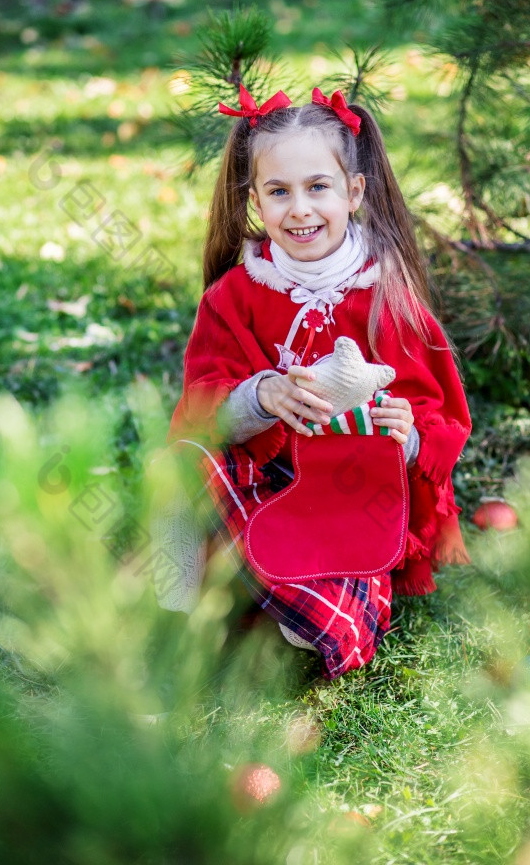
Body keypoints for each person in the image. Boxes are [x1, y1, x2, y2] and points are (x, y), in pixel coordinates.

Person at [159, 83, 472, 681]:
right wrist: (257, 397)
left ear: (354, 192)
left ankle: (285, 602)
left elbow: (436, 416)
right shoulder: (236, 296)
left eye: (317, 188)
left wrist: (404, 433)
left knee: (320, 627)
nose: (299, 209)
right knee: (180, 467)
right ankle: (181, 599)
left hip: (349, 506)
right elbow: (201, 405)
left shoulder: (387, 297)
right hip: (265, 481)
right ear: (254, 199)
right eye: (278, 192)